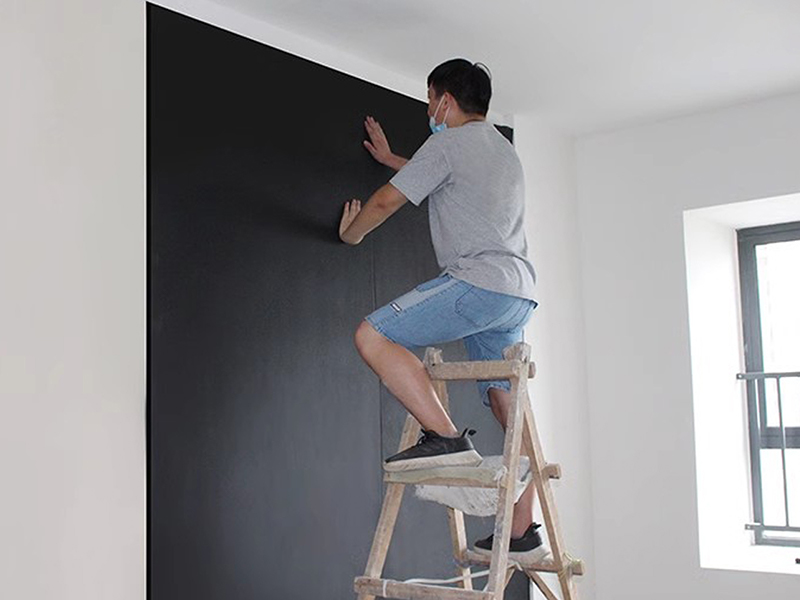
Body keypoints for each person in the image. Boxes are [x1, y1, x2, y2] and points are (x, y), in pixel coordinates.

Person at [339, 59, 545, 559]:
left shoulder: (448, 143)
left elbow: (388, 202)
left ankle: (447, 438)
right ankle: (521, 532)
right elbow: (444, 178)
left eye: (430, 100)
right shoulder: (500, 148)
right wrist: (392, 158)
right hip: (516, 292)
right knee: (505, 400)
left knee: (372, 336)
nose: (429, 109)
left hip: (478, 284)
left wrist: (352, 232)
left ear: (444, 100)